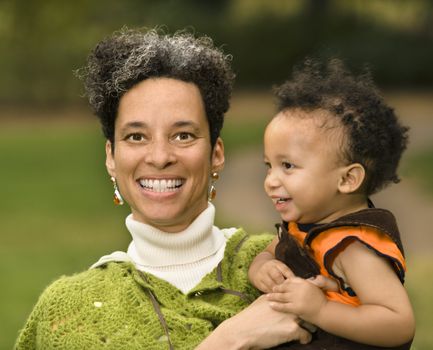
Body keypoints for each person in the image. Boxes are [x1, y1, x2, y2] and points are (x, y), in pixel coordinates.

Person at [15, 28, 315, 350]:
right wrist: (229, 340)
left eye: (183, 135)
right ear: (111, 158)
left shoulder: (289, 263)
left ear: (216, 154)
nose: (159, 158)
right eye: (136, 137)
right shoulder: (69, 313)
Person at [248, 58, 415, 349]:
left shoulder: (354, 247)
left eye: (287, 166)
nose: (271, 180)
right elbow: (270, 251)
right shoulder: (307, 224)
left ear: (348, 179)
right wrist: (262, 267)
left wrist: (322, 311)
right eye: (268, 165)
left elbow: (399, 324)